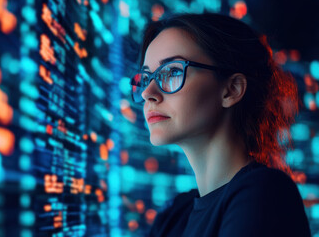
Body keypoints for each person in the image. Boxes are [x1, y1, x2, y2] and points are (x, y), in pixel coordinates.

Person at [129, 13, 311, 236]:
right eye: (146, 78)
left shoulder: (265, 192)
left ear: (232, 90)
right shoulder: (175, 215)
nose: (148, 93)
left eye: (173, 72)